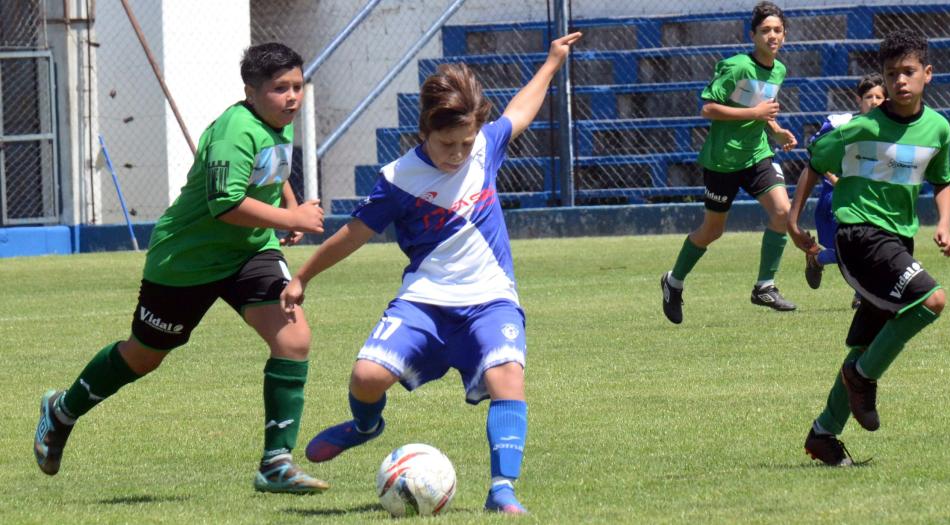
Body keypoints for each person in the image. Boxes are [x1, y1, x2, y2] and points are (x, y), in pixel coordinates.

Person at [279, 32, 583, 515]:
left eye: (465, 142)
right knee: (366, 376)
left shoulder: (486, 144)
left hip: (490, 298)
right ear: (424, 130)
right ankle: (364, 427)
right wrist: (303, 277)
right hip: (424, 300)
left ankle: (502, 489)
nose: (459, 153)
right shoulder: (398, 179)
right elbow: (353, 235)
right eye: (447, 144)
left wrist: (551, 63)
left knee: (508, 378)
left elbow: (521, 112)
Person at [33, 43, 329, 493]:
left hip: (250, 253)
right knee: (144, 356)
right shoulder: (236, 131)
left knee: (294, 338)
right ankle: (61, 411)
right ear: (250, 91)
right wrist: (294, 218)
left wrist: (287, 203)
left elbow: (273, 167)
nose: (291, 97)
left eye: (296, 87)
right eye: (279, 89)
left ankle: (276, 462)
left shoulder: (276, 122)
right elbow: (225, 204)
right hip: (186, 260)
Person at [787, 29, 950, 466]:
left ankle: (823, 434)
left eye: (908, 72)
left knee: (867, 342)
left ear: (927, 75)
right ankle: (861, 380)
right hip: (859, 235)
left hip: (898, 239)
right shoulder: (860, 127)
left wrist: (944, 223)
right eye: (891, 73)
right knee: (931, 300)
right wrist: (792, 220)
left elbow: (943, 180)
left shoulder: (937, 128)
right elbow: (813, 162)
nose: (899, 81)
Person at [660, 1, 798, 324]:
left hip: (757, 155)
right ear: (753, 35)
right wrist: (754, 115)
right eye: (765, 30)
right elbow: (707, 108)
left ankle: (765, 286)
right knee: (712, 230)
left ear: (785, 35)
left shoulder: (779, 69)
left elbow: (762, 108)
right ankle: (674, 281)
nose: (772, 36)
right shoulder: (736, 67)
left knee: (782, 212)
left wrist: (776, 131)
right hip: (723, 161)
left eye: (777, 30)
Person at [803, 73, 886, 309]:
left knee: (871, 246)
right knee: (846, 253)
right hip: (836, 199)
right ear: (859, 100)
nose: (874, 101)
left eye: (879, 96)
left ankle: (863, 293)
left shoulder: (891, 128)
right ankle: (817, 258)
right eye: (869, 96)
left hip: (869, 199)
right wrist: (834, 178)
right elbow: (815, 153)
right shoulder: (841, 124)